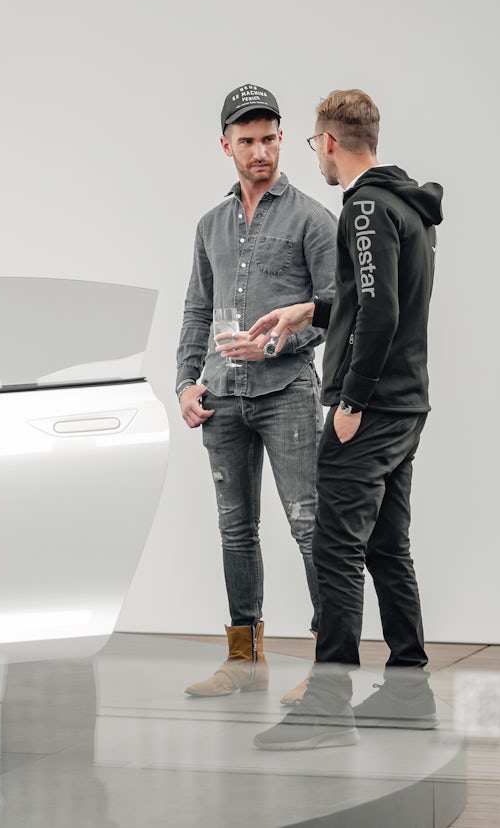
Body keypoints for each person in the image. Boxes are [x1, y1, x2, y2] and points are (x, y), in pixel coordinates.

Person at [251, 89, 444, 750]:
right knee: (387, 546)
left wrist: (352, 402)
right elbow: (370, 302)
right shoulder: (406, 206)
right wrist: (307, 311)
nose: (318, 158)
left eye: (312, 144)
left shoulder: (363, 208)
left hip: (374, 408)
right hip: (408, 402)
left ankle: (329, 704)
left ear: (330, 142)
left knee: (336, 547)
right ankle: (410, 687)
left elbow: (382, 311)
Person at [176, 85, 336, 703]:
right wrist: (187, 383)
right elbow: (196, 308)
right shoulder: (210, 224)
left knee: (309, 526)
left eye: (269, 138)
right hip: (221, 399)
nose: (261, 150)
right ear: (226, 146)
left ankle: (332, 664)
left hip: (287, 394)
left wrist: (278, 345)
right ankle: (244, 660)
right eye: (247, 141)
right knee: (235, 530)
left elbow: (331, 313)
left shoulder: (312, 219)